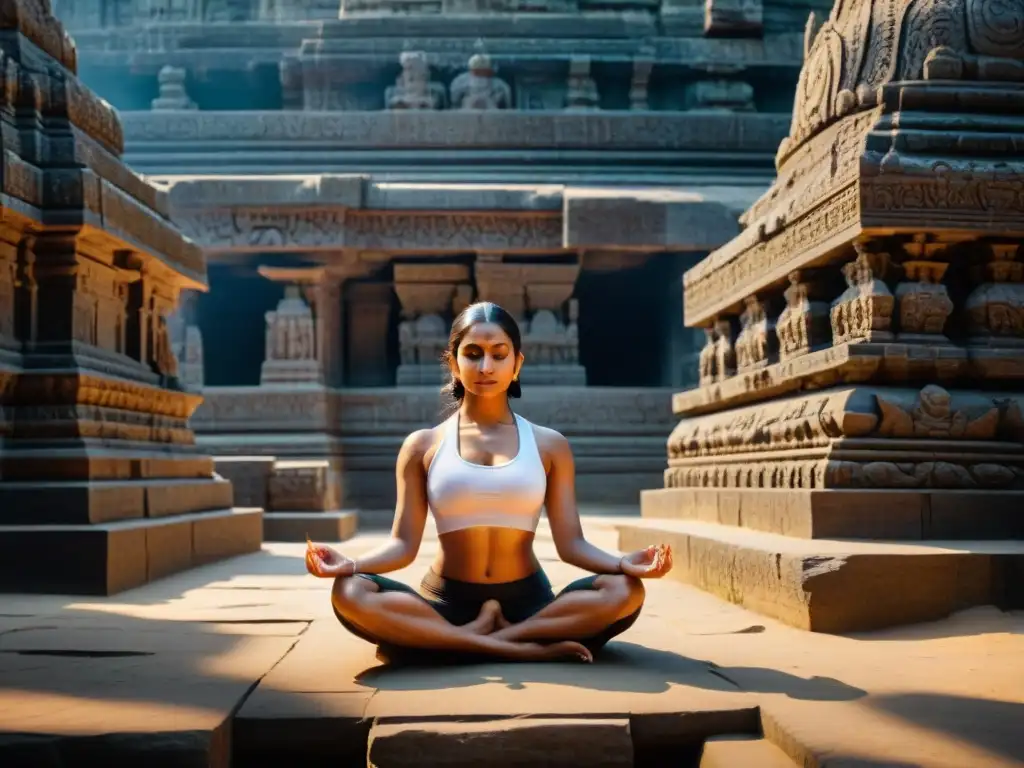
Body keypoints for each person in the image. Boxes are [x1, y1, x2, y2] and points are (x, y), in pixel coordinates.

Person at [306, 301, 673, 664]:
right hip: (446, 601)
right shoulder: (423, 445)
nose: (486, 367)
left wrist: (625, 563)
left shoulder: (549, 445)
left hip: (529, 603)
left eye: (499, 355)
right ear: (453, 363)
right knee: (350, 592)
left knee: (624, 590)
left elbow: (571, 544)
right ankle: (509, 647)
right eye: (473, 354)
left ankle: (463, 642)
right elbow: (402, 545)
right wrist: (349, 564)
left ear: (517, 365)